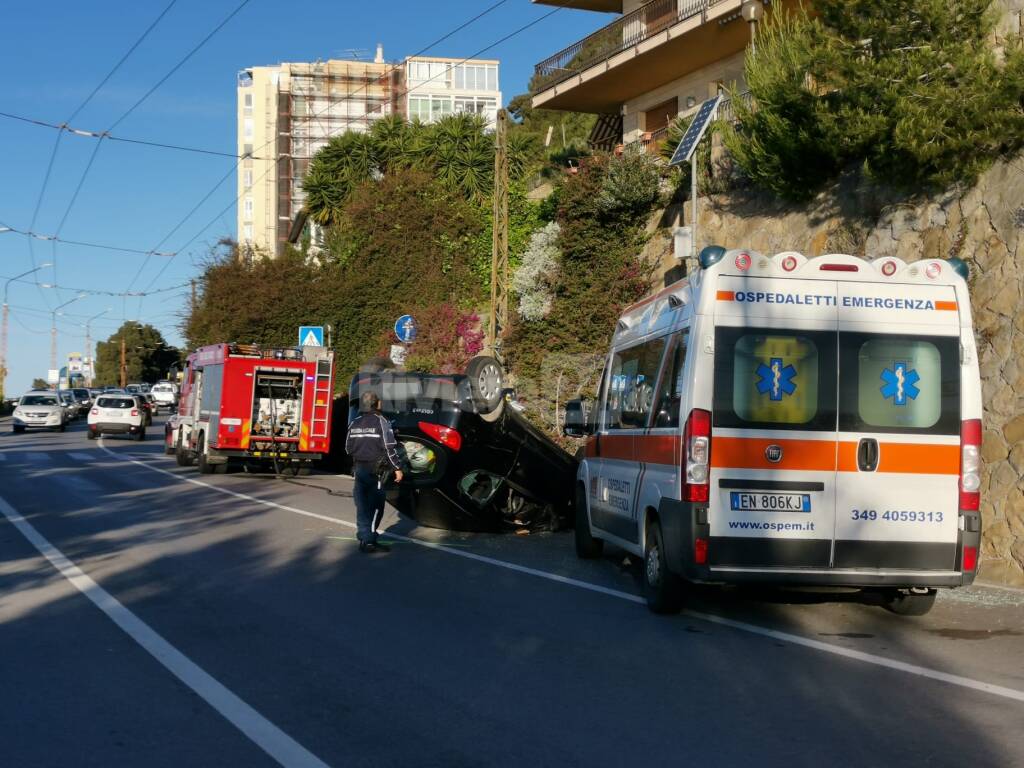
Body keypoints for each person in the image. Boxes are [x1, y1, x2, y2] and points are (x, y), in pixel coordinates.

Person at [345, 391, 403, 553]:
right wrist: (397, 468)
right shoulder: (382, 421)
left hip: (358, 469)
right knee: (376, 506)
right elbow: (388, 447)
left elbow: (348, 448)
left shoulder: (354, 422)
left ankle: (365, 536)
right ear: (376, 404)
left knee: (362, 505)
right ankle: (369, 540)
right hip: (375, 471)